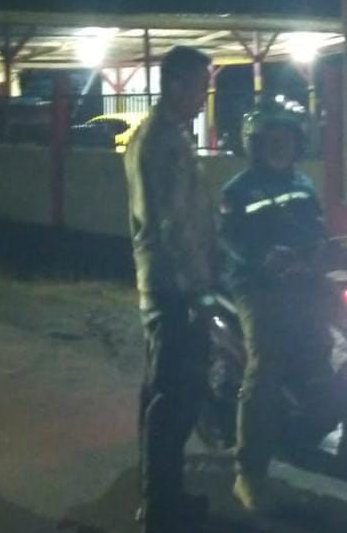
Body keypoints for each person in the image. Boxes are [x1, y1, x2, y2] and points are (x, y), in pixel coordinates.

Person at [219, 100, 332, 514]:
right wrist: (263, 258)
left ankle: (310, 424)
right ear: (255, 145)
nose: (280, 145)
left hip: (301, 279)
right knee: (266, 364)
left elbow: (319, 228)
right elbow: (231, 239)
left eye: (287, 138)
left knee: (327, 342)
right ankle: (248, 473)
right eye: (272, 139)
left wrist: (327, 251)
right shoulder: (238, 189)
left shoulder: (303, 184)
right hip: (256, 286)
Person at [124, 46, 217, 533]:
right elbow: (171, 226)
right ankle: (160, 507)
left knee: (168, 393)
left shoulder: (168, 135)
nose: (206, 95)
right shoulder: (160, 142)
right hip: (174, 288)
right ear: (177, 85)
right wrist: (197, 291)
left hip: (173, 284)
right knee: (173, 397)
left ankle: (165, 495)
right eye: (201, 85)